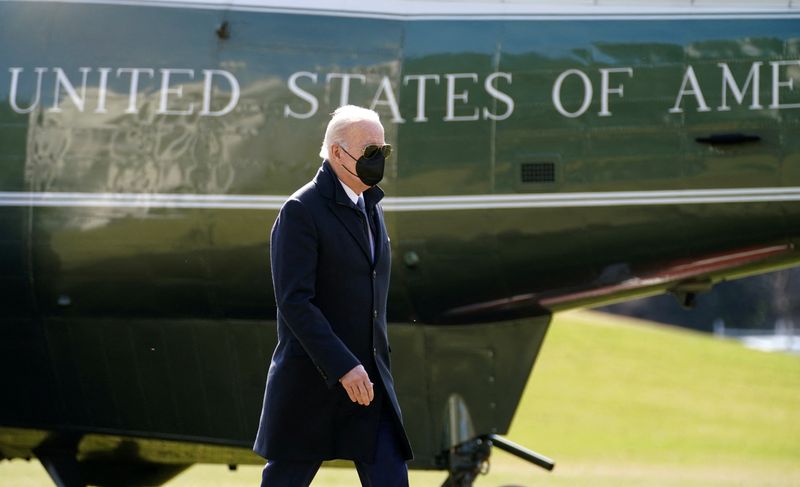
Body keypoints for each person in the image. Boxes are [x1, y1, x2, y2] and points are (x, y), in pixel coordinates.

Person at [253, 105, 413, 486]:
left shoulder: (370, 205)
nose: (379, 160)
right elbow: (295, 302)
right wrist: (343, 366)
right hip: (312, 384)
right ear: (338, 153)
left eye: (383, 151)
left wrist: (363, 366)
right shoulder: (300, 210)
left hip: (369, 385)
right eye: (370, 152)